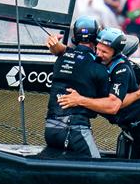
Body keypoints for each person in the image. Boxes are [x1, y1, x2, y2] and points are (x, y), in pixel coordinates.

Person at [58, 28, 140, 160]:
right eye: (98, 49)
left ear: (115, 52)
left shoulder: (122, 69)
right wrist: (55, 46)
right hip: (130, 129)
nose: (99, 54)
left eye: (105, 52)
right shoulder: (96, 58)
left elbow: (113, 106)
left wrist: (79, 100)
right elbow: (72, 54)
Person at [44, 16, 110, 158]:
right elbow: (108, 105)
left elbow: (63, 51)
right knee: (97, 168)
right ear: (96, 38)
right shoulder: (99, 67)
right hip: (74, 130)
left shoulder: (61, 57)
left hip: (50, 129)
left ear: (75, 36)